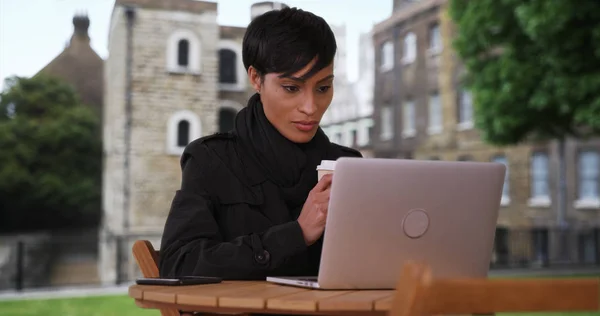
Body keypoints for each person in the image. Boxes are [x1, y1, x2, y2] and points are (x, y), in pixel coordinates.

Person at [158, 6, 362, 281]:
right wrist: (296, 233)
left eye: (323, 88)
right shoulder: (209, 160)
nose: (311, 107)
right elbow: (178, 265)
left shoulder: (349, 167)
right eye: (292, 88)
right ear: (256, 78)